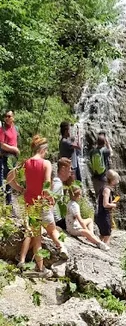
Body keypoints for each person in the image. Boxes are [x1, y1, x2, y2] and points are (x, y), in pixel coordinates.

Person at [7, 135, 63, 276]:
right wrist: (49, 197)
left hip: (29, 203)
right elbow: (47, 183)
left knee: (35, 236)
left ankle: (39, 268)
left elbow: (9, 178)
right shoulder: (46, 163)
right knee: (42, 234)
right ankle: (40, 267)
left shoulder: (26, 163)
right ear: (43, 149)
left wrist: (21, 189)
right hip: (41, 203)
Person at [0, 110, 19, 206]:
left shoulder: (15, 128)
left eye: (9, 116)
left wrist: (16, 150)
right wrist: (14, 149)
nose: (7, 118)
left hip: (14, 157)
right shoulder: (3, 129)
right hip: (6, 156)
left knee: (12, 178)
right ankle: (8, 202)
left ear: (13, 117)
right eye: (5, 116)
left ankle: (9, 202)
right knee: (8, 179)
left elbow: (16, 140)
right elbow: (2, 145)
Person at [96, 169, 119, 244]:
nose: (117, 181)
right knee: (107, 235)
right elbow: (105, 204)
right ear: (112, 180)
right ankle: (105, 249)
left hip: (101, 214)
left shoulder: (105, 188)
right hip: (103, 215)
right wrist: (113, 205)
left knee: (102, 235)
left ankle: (98, 246)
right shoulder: (107, 189)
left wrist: (111, 202)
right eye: (116, 179)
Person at [51, 158, 73, 233]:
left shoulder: (58, 182)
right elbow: (51, 201)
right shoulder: (58, 184)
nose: (71, 171)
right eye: (69, 168)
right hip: (57, 221)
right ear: (63, 169)